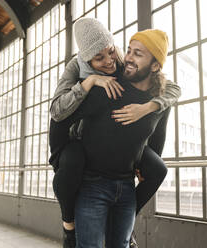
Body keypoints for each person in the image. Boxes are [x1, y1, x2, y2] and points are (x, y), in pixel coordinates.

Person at [49, 18, 180, 248]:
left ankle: (127, 225)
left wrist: (149, 108)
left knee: (158, 168)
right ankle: (68, 225)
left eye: (135, 53)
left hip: (125, 185)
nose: (115, 60)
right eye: (129, 51)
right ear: (88, 59)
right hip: (88, 171)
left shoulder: (150, 92)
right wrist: (90, 81)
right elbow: (58, 116)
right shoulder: (92, 79)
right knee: (72, 161)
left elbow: (160, 128)